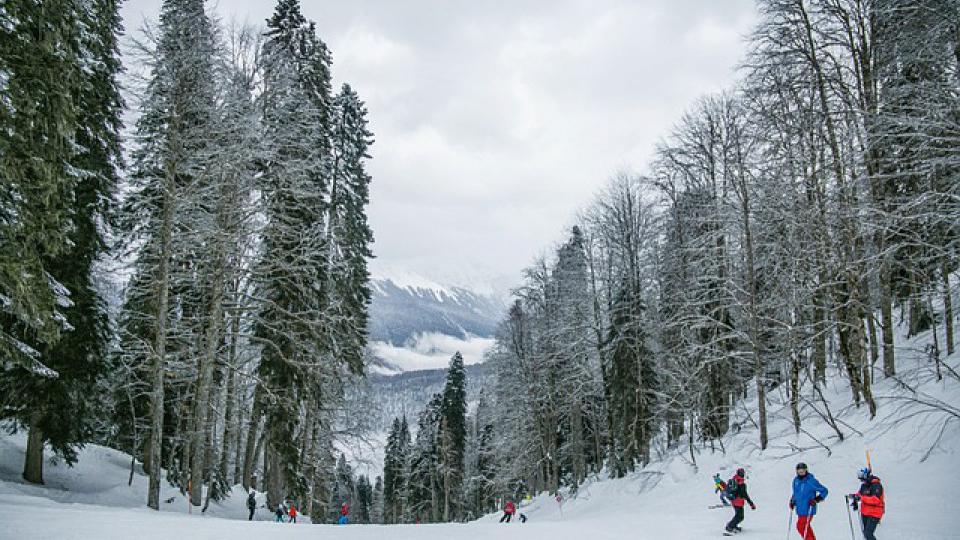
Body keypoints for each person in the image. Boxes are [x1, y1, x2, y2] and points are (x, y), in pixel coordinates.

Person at [789, 462, 828, 540]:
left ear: (806, 470)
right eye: (799, 472)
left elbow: (824, 491)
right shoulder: (795, 481)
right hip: (800, 508)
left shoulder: (811, 481)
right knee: (805, 527)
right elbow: (796, 493)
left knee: (800, 526)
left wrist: (816, 499)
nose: (801, 473)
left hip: (808, 508)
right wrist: (792, 501)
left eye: (803, 471)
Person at [849, 467, 884, 540]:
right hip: (865, 512)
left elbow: (876, 500)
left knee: (868, 533)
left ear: (866, 476)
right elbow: (859, 494)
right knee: (865, 533)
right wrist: (855, 498)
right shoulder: (864, 485)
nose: (861, 481)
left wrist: (861, 498)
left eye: (862, 479)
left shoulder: (876, 485)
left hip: (875, 513)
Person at [724, 468, 756, 534]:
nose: (743, 474)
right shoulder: (741, 484)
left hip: (734, 501)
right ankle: (730, 526)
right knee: (740, 516)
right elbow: (745, 494)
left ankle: (733, 525)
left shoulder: (734, 480)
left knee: (738, 515)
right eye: (742, 473)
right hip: (738, 502)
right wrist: (751, 504)